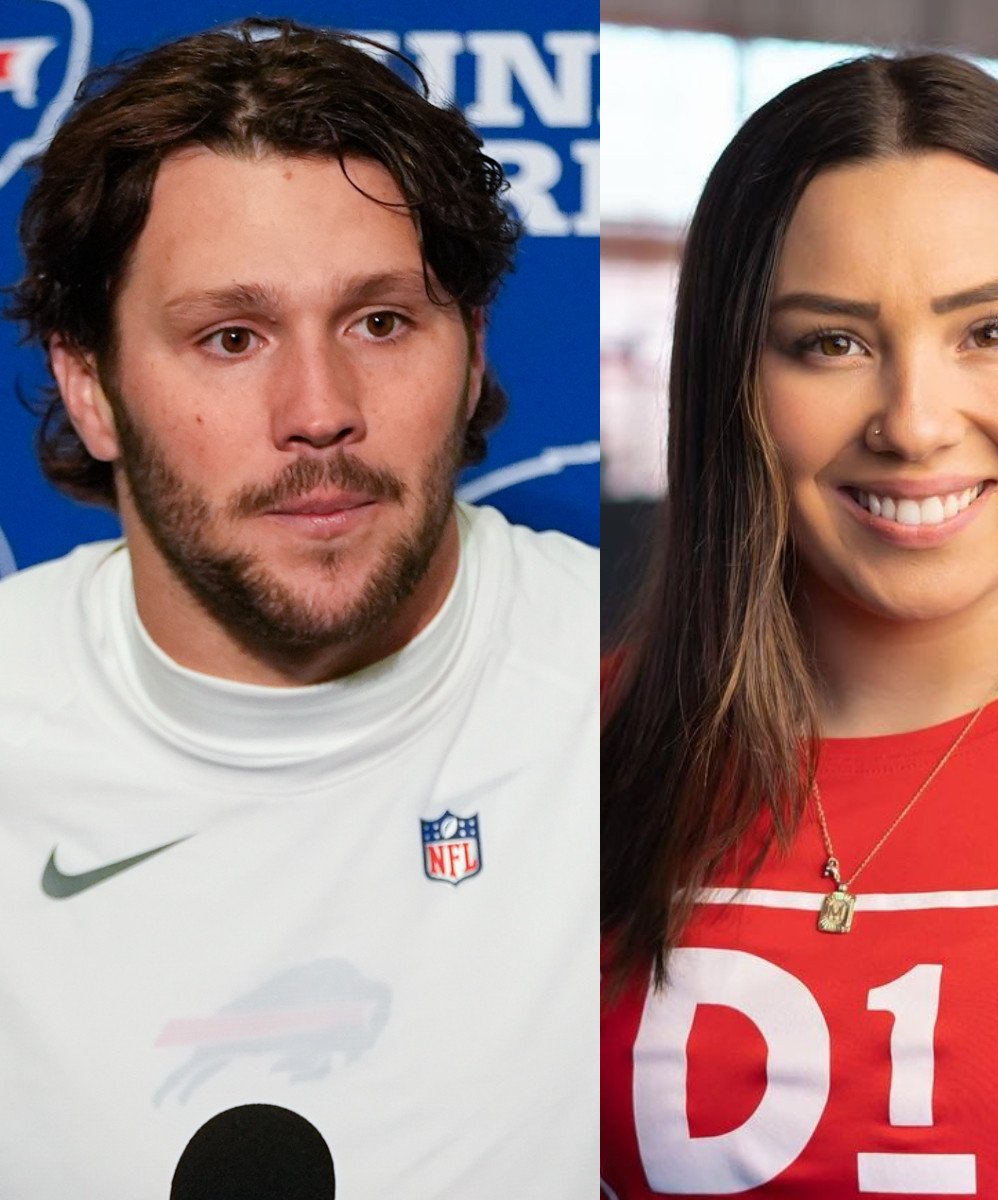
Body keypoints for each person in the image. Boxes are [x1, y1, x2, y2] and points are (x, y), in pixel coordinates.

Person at [1, 18, 596, 1197]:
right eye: (232, 337)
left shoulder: (638, 688)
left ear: (471, 351)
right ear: (92, 387)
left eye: (381, 322)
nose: (318, 409)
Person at [601, 52, 998, 1199]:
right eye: (830, 343)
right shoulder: (579, 753)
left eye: (994, 333)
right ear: (735, 384)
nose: (916, 424)